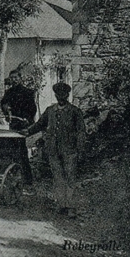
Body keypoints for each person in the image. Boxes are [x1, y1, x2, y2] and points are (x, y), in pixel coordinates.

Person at [24, 82, 85, 217]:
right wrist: (27, 132)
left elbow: (81, 132)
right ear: (56, 95)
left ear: (67, 95)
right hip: (53, 151)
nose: (61, 97)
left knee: (70, 177)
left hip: (70, 150)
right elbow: (39, 125)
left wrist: (80, 150)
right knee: (58, 178)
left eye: (63, 94)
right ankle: (62, 205)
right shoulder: (50, 110)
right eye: (58, 94)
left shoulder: (75, 112)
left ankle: (71, 207)